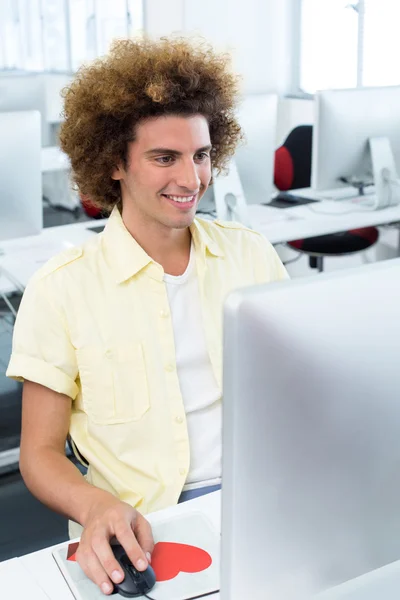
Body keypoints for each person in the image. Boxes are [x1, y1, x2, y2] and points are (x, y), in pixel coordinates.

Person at [6, 36, 288, 595]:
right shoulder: (62, 289)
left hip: (259, 499)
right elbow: (38, 453)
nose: (192, 179)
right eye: (165, 158)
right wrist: (94, 506)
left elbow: (295, 388)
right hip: (141, 527)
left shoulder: (250, 254)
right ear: (115, 162)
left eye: (202, 155)